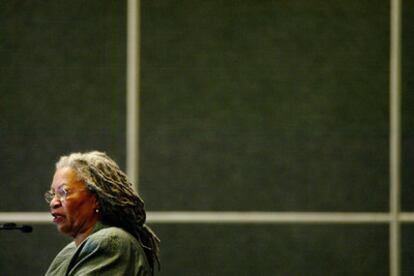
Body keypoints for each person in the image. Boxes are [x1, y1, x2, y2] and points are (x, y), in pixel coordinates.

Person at [44, 151, 160, 276]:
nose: (53, 202)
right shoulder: (69, 252)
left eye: (63, 192)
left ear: (95, 199)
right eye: (52, 194)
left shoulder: (111, 242)